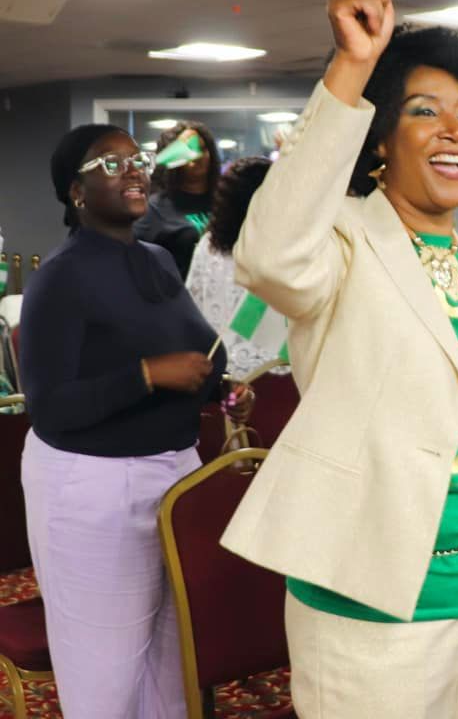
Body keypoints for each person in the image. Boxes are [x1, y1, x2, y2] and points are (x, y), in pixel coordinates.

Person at [221, 0, 458, 719]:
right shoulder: (342, 242)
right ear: (378, 138)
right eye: (423, 110)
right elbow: (269, 255)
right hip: (373, 606)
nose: (454, 130)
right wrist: (352, 66)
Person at [20, 124, 227, 719]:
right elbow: (51, 404)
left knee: (173, 660)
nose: (133, 169)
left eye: (135, 159)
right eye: (109, 164)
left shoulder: (159, 258)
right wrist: (146, 374)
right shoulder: (60, 276)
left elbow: (202, 347)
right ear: (75, 193)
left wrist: (217, 376)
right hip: (94, 486)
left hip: (175, 473)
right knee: (105, 670)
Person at [186, 156, 290, 378]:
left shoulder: (209, 246)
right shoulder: (287, 248)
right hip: (279, 371)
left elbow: (193, 306)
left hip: (223, 371)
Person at [134, 120, 220, 280]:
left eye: (202, 148)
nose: (198, 156)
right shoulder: (155, 208)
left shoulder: (225, 201)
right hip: (178, 299)